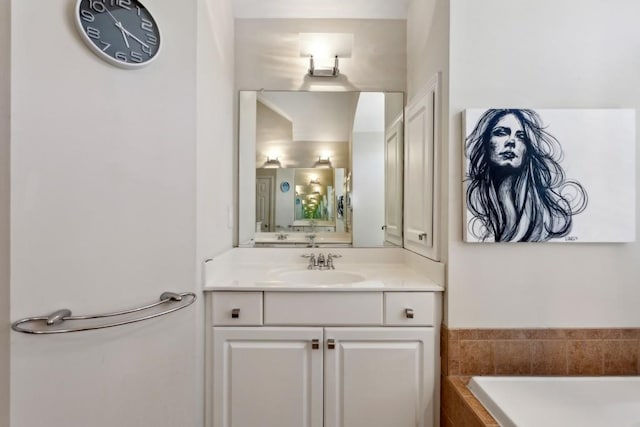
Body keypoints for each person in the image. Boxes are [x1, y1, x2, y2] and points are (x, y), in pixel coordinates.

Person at [465, 109, 588, 242]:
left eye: (521, 136)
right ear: (485, 141)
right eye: (501, 133)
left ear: (528, 149)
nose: (511, 141)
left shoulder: (545, 213)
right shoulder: (469, 196)